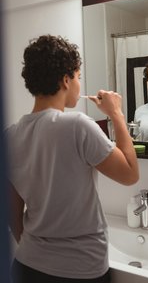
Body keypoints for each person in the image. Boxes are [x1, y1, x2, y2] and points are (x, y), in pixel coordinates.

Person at [5, 34, 139, 283]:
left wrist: (35, 247)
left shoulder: (11, 135)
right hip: (79, 269)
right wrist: (116, 113)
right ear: (66, 80)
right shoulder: (77, 125)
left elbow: (11, 207)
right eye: (78, 77)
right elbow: (130, 173)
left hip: (26, 265)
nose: (79, 83)